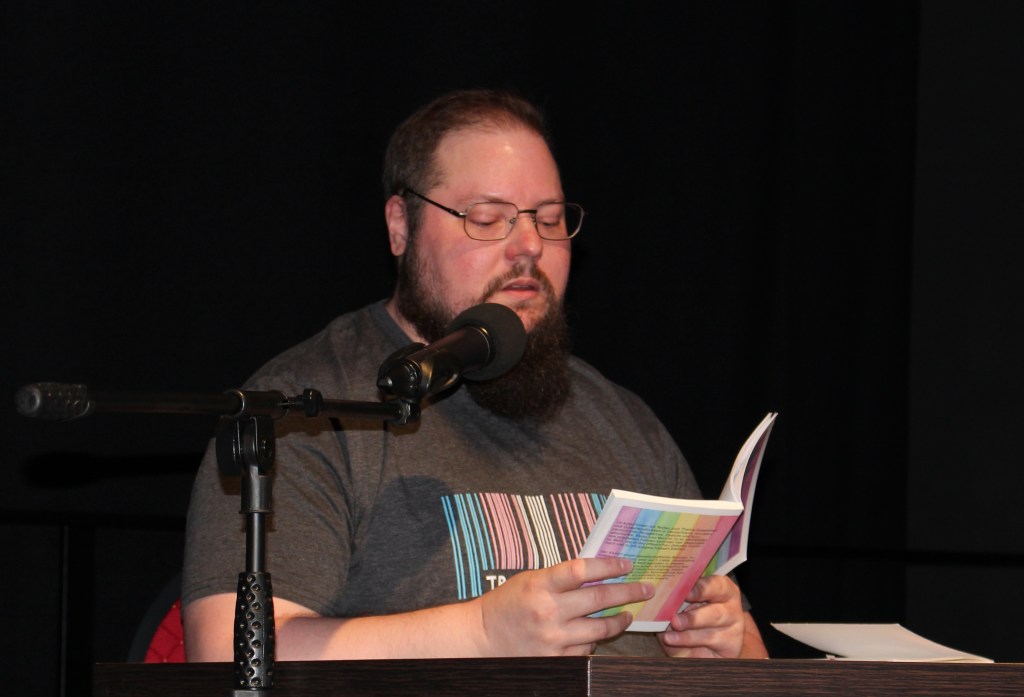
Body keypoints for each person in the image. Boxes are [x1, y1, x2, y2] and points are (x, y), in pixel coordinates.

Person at [182, 89, 768, 660]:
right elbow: (227, 655)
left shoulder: (625, 421)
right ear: (400, 226)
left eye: (550, 218)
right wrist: (484, 633)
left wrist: (728, 644)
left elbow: (751, 652)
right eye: (488, 218)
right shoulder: (301, 409)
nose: (530, 246)